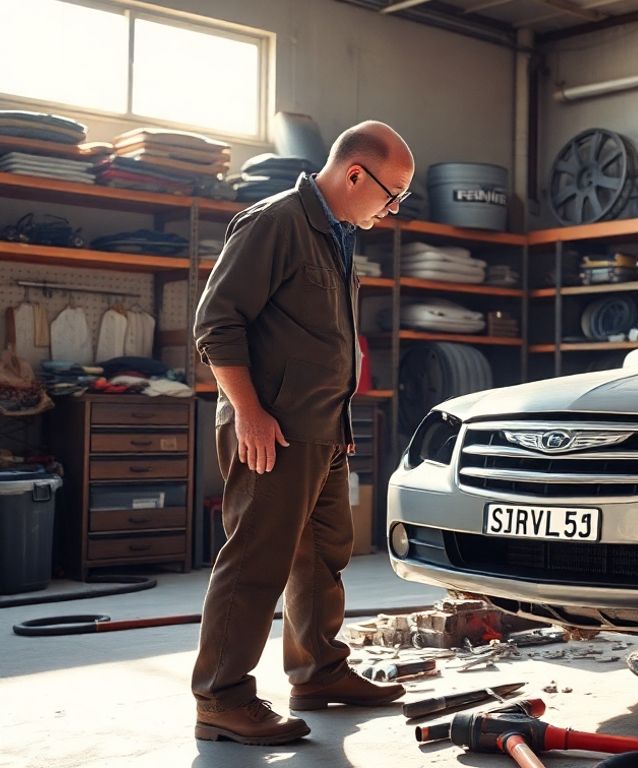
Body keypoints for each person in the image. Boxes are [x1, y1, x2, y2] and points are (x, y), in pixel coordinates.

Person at [191, 120, 415, 745]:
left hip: (321, 431)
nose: (393, 207)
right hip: (273, 431)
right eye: (391, 193)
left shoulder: (337, 236)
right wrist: (251, 414)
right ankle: (221, 698)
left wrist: (340, 424)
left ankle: (317, 672)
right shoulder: (276, 222)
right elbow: (216, 325)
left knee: (322, 557)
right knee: (256, 560)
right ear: (353, 174)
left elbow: (319, 341)